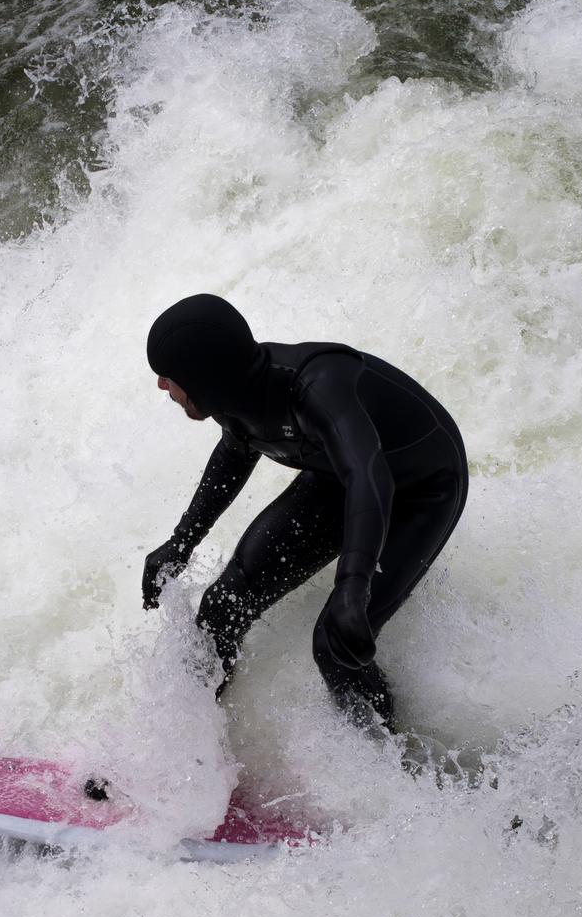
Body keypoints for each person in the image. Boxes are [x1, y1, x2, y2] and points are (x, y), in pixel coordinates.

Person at [142, 293, 468, 730]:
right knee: (224, 605)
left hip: (420, 491)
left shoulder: (319, 387)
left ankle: (391, 762)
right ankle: (184, 736)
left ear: (206, 379)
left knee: (334, 643)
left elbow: (370, 480)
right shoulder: (234, 397)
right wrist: (180, 543)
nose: (163, 386)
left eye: (168, 376)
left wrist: (354, 585)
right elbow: (234, 455)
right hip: (339, 478)